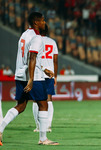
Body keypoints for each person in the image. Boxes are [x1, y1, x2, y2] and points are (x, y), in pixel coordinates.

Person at [0, 12, 59, 146]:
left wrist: (44, 68)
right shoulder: (36, 37)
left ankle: (0, 129)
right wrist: (31, 79)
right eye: (43, 20)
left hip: (20, 74)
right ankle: (43, 138)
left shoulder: (24, 35)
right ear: (36, 22)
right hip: (33, 77)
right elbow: (32, 57)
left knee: (20, 106)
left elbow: (29, 56)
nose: (44, 23)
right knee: (43, 104)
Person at [32, 24, 58, 133]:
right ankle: (48, 125)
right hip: (50, 73)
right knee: (49, 99)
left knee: (36, 100)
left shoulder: (34, 41)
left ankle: (38, 126)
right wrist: (55, 75)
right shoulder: (52, 42)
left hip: (37, 72)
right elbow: (55, 60)